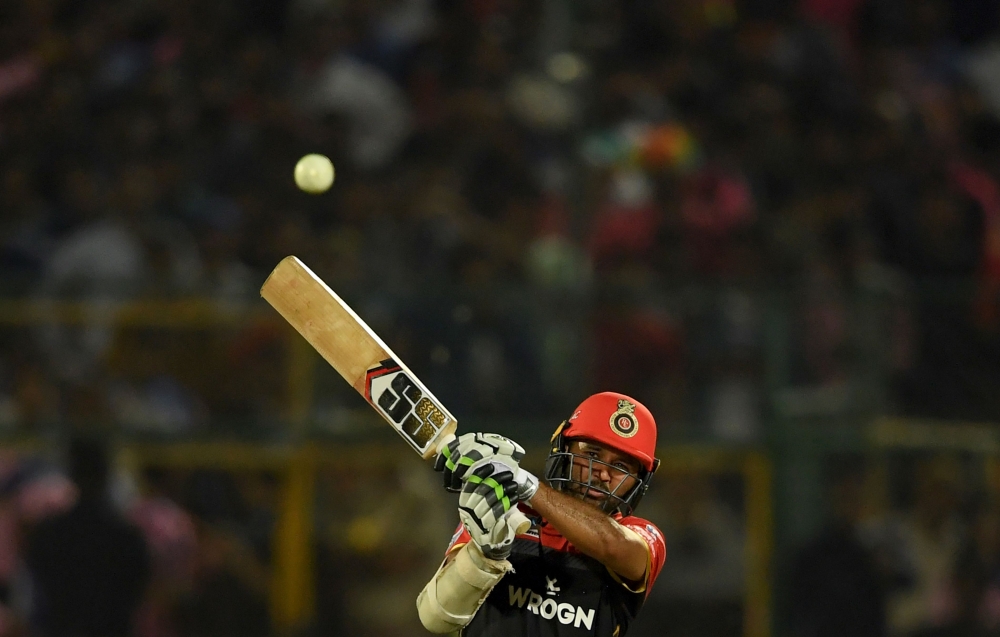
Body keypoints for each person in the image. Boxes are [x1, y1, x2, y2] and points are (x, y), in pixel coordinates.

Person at [417, 391, 666, 636]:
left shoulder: (641, 535)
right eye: (591, 454)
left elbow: (613, 544)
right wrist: (484, 557)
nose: (601, 473)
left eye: (621, 466)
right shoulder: (501, 509)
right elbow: (435, 617)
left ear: (639, 481)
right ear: (564, 450)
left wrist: (523, 481)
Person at [25, 436, 151, 637]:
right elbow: (138, 587)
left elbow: (37, 584)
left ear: (72, 476)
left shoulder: (50, 533)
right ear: (106, 475)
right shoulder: (125, 535)